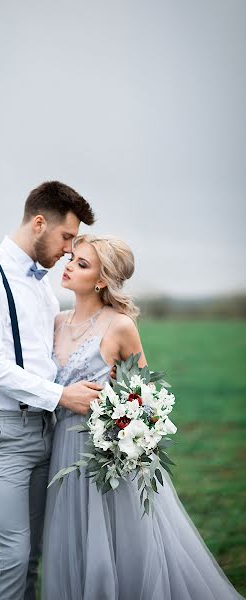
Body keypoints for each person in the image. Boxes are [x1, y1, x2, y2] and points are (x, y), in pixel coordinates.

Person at [42, 234, 244, 600]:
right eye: (71, 258)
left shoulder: (119, 326)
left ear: (102, 280)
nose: (68, 265)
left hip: (104, 456)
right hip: (62, 447)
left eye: (81, 263)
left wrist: (123, 427)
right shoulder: (55, 322)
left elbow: (143, 399)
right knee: (72, 543)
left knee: (115, 550)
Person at [0, 182, 103, 600]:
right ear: (39, 223)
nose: (69, 251)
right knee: (12, 556)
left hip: (46, 431)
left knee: (35, 554)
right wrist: (62, 396)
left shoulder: (42, 287)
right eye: (67, 237)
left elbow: (50, 360)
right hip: (0, 434)